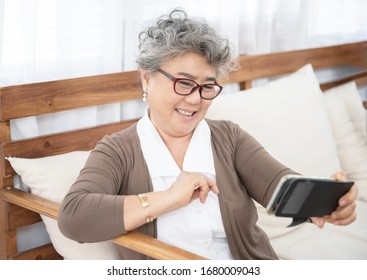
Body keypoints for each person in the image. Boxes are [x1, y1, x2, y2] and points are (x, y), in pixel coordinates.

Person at [58, 8, 357, 260]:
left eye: (207, 87)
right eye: (184, 83)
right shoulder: (118, 151)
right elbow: (74, 217)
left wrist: (326, 203)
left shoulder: (229, 138)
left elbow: (280, 185)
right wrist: (169, 198)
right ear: (146, 78)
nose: (195, 99)